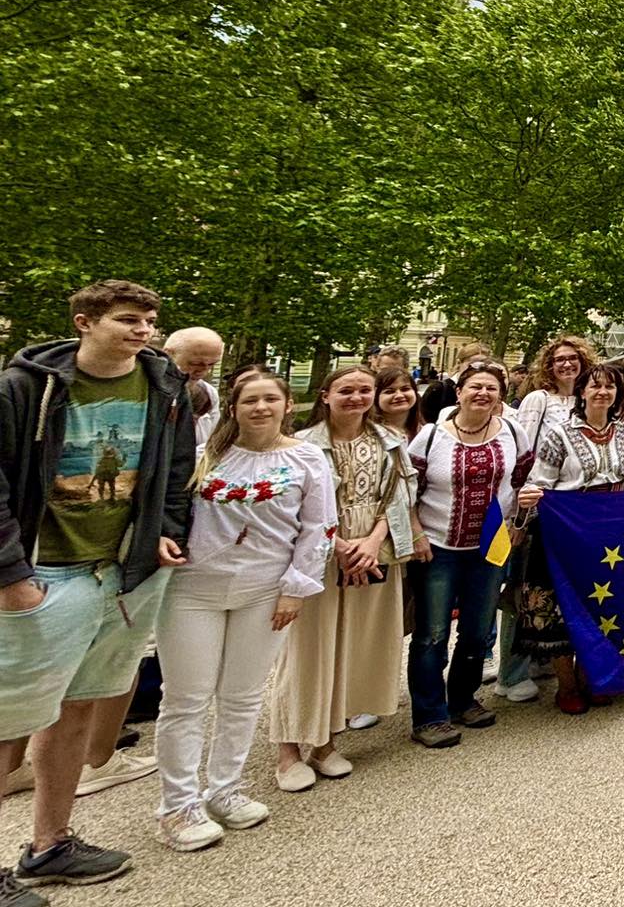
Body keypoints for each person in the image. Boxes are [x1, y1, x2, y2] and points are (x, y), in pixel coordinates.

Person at [0, 280, 194, 907]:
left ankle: (50, 844)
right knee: (6, 722)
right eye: (128, 320)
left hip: (125, 574)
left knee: (80, 708)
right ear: (85, 322)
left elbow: (177, 469)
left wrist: (169, 530)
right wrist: (10, 574)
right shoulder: (25, 387)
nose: (142, 330)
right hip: (45, 572)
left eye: (149, 320)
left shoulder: (164, 385)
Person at [154, 369, 335, 851]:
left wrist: (297, 587)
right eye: (249, 400)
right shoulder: (204, 457)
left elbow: (319, 527)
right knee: (186, 698)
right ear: (233, 408)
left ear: (287, 405)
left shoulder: (308, 459)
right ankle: (178, 804)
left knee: (242, 694)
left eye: (269, 399)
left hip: (265, 591)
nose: (260, 408)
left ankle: (225, 790)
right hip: (193, 590)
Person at [271, 366, 416, 791]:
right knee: (307, 652)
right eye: (346, 390)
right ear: (325, 395)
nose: (356, 398)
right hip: (319, 553)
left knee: (352, 647)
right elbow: (296, 506)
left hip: (373, 553)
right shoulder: (303, 446)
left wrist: (371, 543)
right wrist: (339, 547)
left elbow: (397, 497)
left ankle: (326, 743)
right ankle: (287, 750)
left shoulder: (391, 442)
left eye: (364, 390)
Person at [405, 361, 532, 750]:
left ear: (501, 397)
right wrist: (416, 535)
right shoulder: (430, 438)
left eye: (492, 389)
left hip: (490, 546)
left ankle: (462, 699)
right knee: (433, 633)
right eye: (475, 387)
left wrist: (518, 522)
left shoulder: (513, 432)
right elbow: (408, 492)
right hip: (439, 546)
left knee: (478, 631)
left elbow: (524, 479)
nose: (483, 394)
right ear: (458, 393)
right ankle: (429, 714)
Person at [515, 364, 624, 715]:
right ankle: (566, 685)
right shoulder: (559, 434)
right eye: (595, 387)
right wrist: (530, 502)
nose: (603, 393)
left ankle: (592, 677)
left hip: (608, 531)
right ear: (582, 392)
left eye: (610, 387)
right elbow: (540, 481)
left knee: (600, 605)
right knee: (560, 606)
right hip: (566, 528)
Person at [517, 334, 597, 445]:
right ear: (550, 365)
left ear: (582, 362)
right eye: (560, 360)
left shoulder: (587, 400)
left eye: (573, 358)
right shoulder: (538, 399)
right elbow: (523, 444)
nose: (567, 364)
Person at [161, 326, 225, 447]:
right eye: (195, 363)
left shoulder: (209, 393)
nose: (204, 371)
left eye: (211, 365)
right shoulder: (145, 387)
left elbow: (210, 440)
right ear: (168, 354)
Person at [374, 367, 423, 441]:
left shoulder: (425, 433)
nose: (399, 395)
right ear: (375, 397)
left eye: (405, 389)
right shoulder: (368, 434)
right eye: (389, 392)